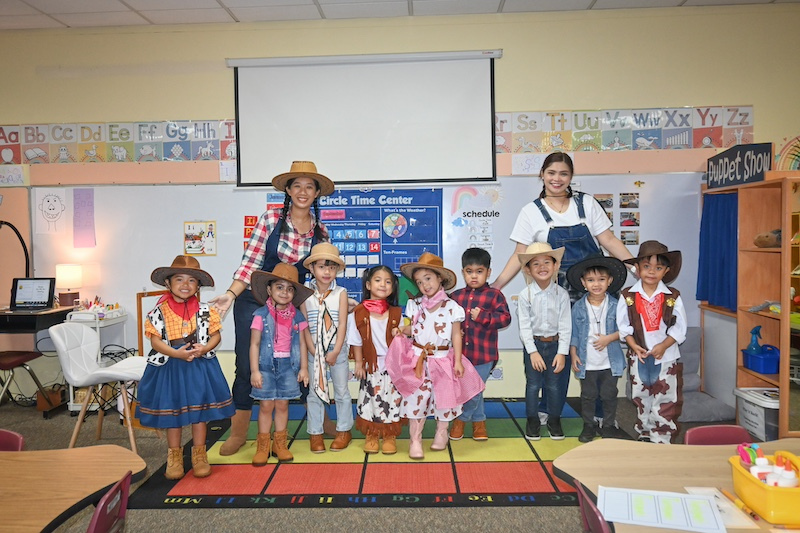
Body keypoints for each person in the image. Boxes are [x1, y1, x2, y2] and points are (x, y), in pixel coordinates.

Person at [492, 152, 633, 427]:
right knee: (557, 353)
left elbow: (608, 240)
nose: (557, 179)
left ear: (571, 177)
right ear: (542, 175)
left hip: (594, 293)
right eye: (552, 173)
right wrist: (497, 285)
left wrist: (636, 267)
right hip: (555, 295)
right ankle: (549, 409)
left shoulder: (587, 204)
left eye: (563, 174)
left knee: (596, 351)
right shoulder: (531, 211)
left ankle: (603, 413)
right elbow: (519, 254)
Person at [210, 161, 335, 456]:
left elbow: (321, 275)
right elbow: (250, 264)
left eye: (309, 187)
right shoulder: (270, 220)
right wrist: (230, 295)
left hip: (293, 302)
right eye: (297, 186)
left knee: (302, 360)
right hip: (253, 300)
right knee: (247, 363)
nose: (303, 191)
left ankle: (320, 420)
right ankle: (239, 432)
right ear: (288, 190)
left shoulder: (321, 232)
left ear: (317, 193)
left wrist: (335, 300)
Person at [137, 255, 235, 480]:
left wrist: (204, 348)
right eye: (179, 279)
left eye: (191, 280)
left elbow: (216, 336)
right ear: (168, 283)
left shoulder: (206, 310)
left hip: (199, 369)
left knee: (200, 413)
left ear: (198, 286)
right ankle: (174, 456)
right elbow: (155, 341)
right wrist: (175, 353)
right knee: (174, 413)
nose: (185, 284)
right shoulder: (158, 312)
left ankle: (199, 455)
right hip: (171, 369)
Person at [387, 252, 485, 460]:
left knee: (445, 397)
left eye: (428, 278)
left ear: (440, 278)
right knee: (416, 399)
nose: (425, 285)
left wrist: (457, 361)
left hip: (442, 359)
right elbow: (412, 329)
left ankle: (442, 432)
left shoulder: (452, 308)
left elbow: (456, 335)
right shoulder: (415, 305)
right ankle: (415, 440)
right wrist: (401, 331)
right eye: (419, 282)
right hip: (418, 359)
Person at [616, 240, 686, 444]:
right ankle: (645, 431)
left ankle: (662, 436)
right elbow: (623, 325)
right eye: (646, 266)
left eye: (658, 267)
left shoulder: (672, 297)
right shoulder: (628, 296)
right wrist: (632, 344)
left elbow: (680, 328)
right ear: (637, 269)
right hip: (639, 355)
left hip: (666, 356)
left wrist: (664, 345)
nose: (652, 272)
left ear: (666, 271)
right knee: (640, 394)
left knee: (665, 397)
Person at [248, 263, 313, 465]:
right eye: (279, 287)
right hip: (265, 367)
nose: (284, 292)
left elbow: (302, 343)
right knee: (266, 405)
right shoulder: (260, 315)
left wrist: (304, 368)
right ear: (269, 290)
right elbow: (254, 344)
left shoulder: (298, 316)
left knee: (283, 405)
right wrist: (254, 371)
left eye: (289, 289)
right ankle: (262, 446)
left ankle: (280, 444)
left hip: (288, 367)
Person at [448, 247, 511, 441]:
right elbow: (446, 320)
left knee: (474, 391)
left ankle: (461, 419)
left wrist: (484, 316)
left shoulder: (495, 295)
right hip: (461, 356)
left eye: (479, 271)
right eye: (469, 271)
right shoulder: (456, 297)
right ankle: (479, 422)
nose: (474, 276)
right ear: (463, 272)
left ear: (488, 272)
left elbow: (505, 319)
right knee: (473, 389)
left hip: (484, 355)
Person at [566, 254, 627, 443]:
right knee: (588, 396)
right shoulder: (578, 307)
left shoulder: (617, 305)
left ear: (609, 281)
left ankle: (608, 425)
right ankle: (589, 425)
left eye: (601, 279)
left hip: (610, 361)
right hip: (587, 361)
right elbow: (574, 334)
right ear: (583, 283)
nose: (596, 284)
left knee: (609, 395)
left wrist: (609, 338)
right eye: (591, 280)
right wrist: (574, 354)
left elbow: (626, 330)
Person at [300, 243, 352, 453]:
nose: (327, 272)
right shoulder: (304, 295)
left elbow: (343, 324)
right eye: (321, 267)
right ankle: (315, 432)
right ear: (312, 269)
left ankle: (344, 430)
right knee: (314, 393)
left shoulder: (341, 293)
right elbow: (304, 326)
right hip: (314, 351)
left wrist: (336, 350)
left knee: (341, 391)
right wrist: (313, 351)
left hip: (336, 350)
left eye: (331, 267)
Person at [347, 265, 405, 454]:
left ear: (393, 287)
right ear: (368, 285)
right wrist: (358, 363)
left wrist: (401, 334)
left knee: (392, 400)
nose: (383, 285)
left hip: (392, 366)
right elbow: (355, 340)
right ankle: (371, 434)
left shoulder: (396, 313)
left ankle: (389, 435)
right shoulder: (358, 313)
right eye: (378, 280)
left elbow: (402, 340)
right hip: (371, 365)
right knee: (369, 399)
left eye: (388, 282)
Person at [516, 243, 571, 441]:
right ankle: (532, 420)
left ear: (556, 266)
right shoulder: (525, 295)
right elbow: (524, 327)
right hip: (534, 346)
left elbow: (565, 326)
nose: (542, 267)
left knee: (554, 385)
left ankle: (554, 419)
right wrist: (533, 352)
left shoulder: (562, 294)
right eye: (536, 263)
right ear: (527, 269)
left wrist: (562, 353)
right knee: (533, 385)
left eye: (547, 262)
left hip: (555, 346)